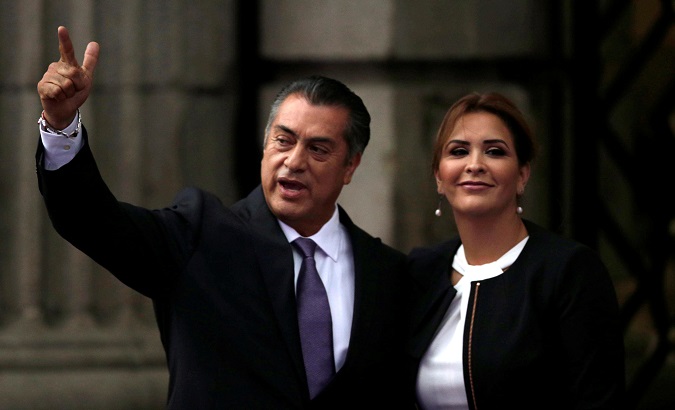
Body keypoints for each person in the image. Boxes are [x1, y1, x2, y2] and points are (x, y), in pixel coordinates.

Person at [36, 26, 411, 409]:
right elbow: (91, 221)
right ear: (265, 146)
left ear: (350, 166)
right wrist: (61, 125)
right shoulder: (201, 236)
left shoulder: (387, 274)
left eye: (318, 149)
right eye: (283, 141)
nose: (294, 161)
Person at [406, 92, 625, 409]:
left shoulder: (568, 272)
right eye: (458, 151)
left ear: (522, 175)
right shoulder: (420, 271)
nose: (475, 164)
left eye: (494, 151)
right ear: (440, 177)